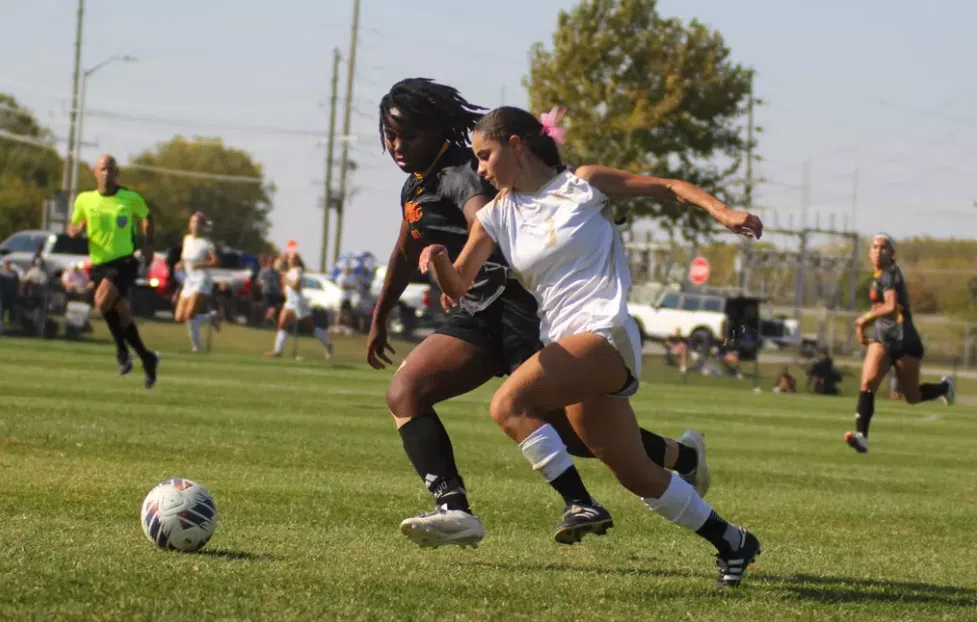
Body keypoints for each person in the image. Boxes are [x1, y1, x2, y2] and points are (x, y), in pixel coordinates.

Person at [420, 105, 763, 587]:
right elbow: (458, 285)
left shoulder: (582, 183)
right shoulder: (496, 215)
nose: (479, 168)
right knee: (637, 475)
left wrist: (723, 213)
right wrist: (437, 262)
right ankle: (732, 541)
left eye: (485, 155)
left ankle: (579, 501)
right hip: (567, 347)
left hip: (606, 334)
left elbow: (666, 186)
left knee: (507, 404)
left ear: (516, 145)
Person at [368, 78, 709, 550]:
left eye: (408, 135)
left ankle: (676, 463)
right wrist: (381, 313)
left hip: (517, 309)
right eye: (390, 136)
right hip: (475, 313)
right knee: (407, 390)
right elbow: (408, 249)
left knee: (565, 427)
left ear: (436, 131)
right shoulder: (417, 185)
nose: (398, 145)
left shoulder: (463, 174)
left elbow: (484, 217)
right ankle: (454, 508)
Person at [847, 234, 954, 453]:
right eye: (875, 247)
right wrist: (864, 326)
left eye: (884, 248)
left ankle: (945, 387)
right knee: (867, 383)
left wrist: (862, 321)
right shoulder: (878, 276)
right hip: (882, 339)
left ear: (892, 253)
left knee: (912, 396)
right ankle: (862, 436)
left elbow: (891, 306)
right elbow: (882, 309)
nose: (878, 251)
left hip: (904, 340)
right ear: (869, 252)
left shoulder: (891, 273)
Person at [68, 154, 159, 387]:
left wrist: (148, 244)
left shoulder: (129, 198)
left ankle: (121, 352)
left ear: (117, 174)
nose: (107, 173)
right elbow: (73, 224)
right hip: (99, 263)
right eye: (103, 169)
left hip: (124, 261)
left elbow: (148, 217)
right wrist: (74, 230)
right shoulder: (84, 200)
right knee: (121, 314)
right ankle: (147, 357)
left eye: (111, 169)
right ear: (95, 173)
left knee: (101, 302)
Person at [265, 251, 333, 359]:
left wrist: (285, 279)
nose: (290, 260)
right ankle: (277, 351)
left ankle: (328, 345)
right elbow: (286, 286)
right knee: (282, 324)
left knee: (311, 328)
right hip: (290, 302)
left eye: (292, 259)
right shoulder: (289, 271)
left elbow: (296, 286)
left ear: (297, 260)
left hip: (299, 303)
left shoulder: (298, 270)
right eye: (289, 259)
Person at [173, 212, 219, 353]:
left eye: (197, 222)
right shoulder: (187, 239)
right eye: (192, 222)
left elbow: (215, 262)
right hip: (189, 280)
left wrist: (200, 265)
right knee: (179, 317)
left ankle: (196, 348)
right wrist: (180, 264)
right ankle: (210, 318)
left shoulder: (206, 243)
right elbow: (186, 259)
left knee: (190, 315)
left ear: (203, 226)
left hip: (202, 280)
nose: (194, 225)